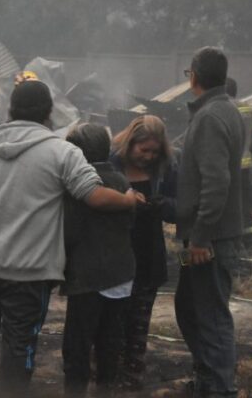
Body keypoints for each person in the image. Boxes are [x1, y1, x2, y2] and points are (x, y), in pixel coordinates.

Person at [0, 80, 137, 396]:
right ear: (48, 111)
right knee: (18, 344)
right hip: (28, 274)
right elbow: (94, 196)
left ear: (10, 109)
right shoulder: (61, 153)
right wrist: (129, 200)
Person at [175, 47, 243, 397]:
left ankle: (219, 389)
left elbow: (216, 183)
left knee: (211, 317)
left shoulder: (210, 117)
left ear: (193, 76)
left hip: (209, 241)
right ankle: (209, 381)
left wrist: (201, 237)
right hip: (206, 236)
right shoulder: (222, 110)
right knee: (189, 309)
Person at [61, 123, 136, 396]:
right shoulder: (122, 181)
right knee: (108, 343)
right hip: (121, 275)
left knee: (77, 347)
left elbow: (70, 231)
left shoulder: (80, 184)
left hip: (88, 277)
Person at [109, 115, 177, 391]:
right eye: (143, 150)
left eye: (154, 152)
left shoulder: (165, 171)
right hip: (114, 254)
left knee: (138, 322)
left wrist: (162, 205)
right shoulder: (111, 164)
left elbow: (178, 209)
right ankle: (105, 376)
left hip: (148, 255)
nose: (148, 156)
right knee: (111, 321)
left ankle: (131, 378)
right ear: (130, 143)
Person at [225, 78, 252, 245]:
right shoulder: (247, 107)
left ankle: (232, 237)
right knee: (245, 200)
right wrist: (251, 157)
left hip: (227, 164)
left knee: (227, 201)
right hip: (245, 164)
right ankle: (250, 237)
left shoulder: (222, 107)